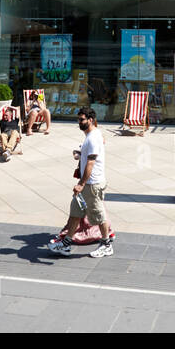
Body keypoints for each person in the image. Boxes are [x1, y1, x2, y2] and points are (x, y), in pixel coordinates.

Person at [48, 108, 114, 258]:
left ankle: (106, 245)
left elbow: (91, 163)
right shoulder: (93, 134)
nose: (79, 122)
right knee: (75, 213)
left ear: (90, 120)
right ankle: (65, 245)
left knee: (99, 216)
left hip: (92, 184)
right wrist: (81, 153)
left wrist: (81, 184)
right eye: (78, 119)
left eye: (82, 120)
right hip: (86, 183)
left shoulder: (92, 138)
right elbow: (100, 143)